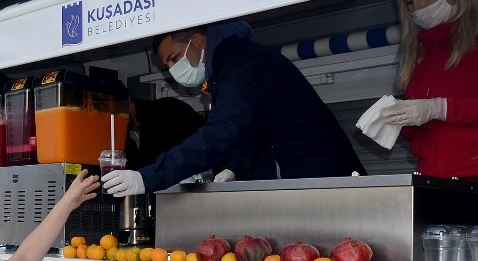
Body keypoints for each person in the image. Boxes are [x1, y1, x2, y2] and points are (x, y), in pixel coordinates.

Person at [101, 20, 366, 197]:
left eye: (174, 59)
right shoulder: (227, 67)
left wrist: (147, 178)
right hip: (302, 180)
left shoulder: (240, 62)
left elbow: (222, 131)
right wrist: (236, 166)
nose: (173, 71)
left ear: (199, 41)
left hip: (325, 181)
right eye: (167, 67)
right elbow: (255, 127)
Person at [379, 0, 478, 180]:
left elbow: (439, 112)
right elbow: (426, 131)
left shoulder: (474, 42)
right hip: (432, 177)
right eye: (409, 2)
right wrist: (398, 120)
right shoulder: (421, 52)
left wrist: (440, 108)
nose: (418, 7)